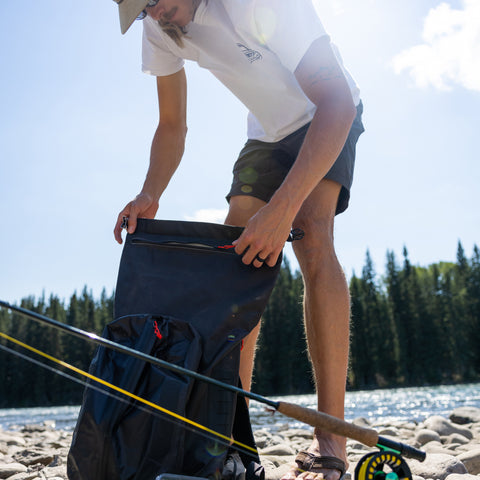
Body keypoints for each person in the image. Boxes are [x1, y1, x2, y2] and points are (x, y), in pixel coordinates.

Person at [112, 1, 365, 479]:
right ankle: (226, 437)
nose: (155, 13)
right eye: (143, 7)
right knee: (235, 263)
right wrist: (150, 192)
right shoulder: (158, 25)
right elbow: (171, 125)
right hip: (266, 137)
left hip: (327, 112)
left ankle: (331, 438)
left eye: (156, 0)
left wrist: (282, 209)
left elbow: (339, 103)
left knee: (310, 237)